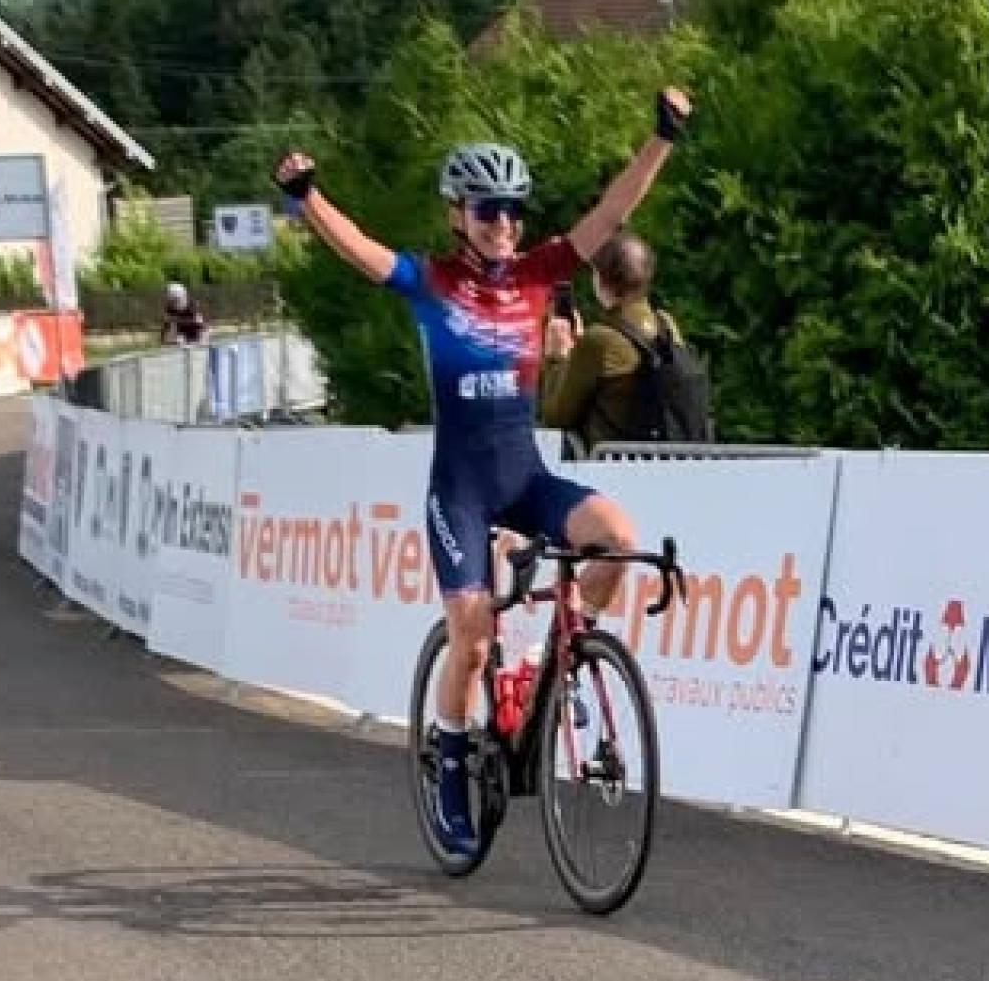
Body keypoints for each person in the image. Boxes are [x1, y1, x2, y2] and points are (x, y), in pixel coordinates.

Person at [272, 87, 691, 858]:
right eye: (487, 208)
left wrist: (662, 138)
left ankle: (553, 662)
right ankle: (454, 760)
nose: (503, 223)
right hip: (461, 488)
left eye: (513, 210)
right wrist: (308, 199)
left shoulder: (537, 272)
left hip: (526, 478)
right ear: (457, 214)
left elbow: (608, 215)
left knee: (617, 539)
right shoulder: (432, 282)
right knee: (469, 634)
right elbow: (362, 249)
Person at [539, 232, 713, 454]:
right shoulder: (667, 325)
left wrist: (557, 356)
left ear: (601, 279)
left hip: (613, 473)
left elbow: (555, 415)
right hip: (668, 465)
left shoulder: (599, 340)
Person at [161, 282, 209, 346]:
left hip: (196, 334)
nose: (174, 303)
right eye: (172, 301)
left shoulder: (193, 306)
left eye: (176, 300)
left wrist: (202, 341)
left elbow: (203, 328)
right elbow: (165, 331)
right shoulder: (169, 310)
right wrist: (170, 340)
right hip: (181, 335)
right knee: (177, 335)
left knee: (201, 333)